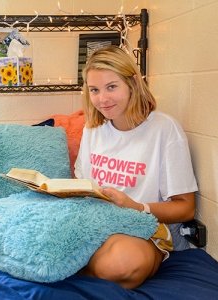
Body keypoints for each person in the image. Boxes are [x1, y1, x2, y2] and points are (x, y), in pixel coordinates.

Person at [75, 45, 198, 289]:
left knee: (120, 264)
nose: (103, 99)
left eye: (112, 87)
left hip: (145, 231)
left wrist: (135, 206)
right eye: (95, 90)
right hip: (97, 223)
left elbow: (186, 209)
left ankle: (73, 275)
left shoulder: (164, 129)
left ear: (132, 83)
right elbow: (82, 185)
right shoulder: (93, 130)